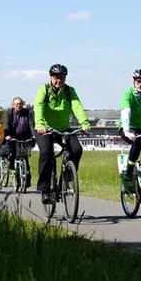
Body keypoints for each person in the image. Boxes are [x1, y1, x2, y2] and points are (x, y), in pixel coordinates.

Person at [34, 64, 91, 204]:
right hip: (45, 129)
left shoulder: (69, 91)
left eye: (62, 77)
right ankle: (45, 190)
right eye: (56, 77)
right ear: (51, 78)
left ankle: (67, 177)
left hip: (63, 128)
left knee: (77, 149)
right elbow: (38, 106)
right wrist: (40, 125)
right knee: (47, 153)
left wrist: (84, 123)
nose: (59, 80)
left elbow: (77, 106)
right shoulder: (44, 90)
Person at [4, 96, 36, 188]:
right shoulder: (9, 113)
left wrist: (34, 135)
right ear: (13, 105)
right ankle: (16, 176)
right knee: (14, 155)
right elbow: (6, 124)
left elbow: (31, 124)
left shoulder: (27, 112)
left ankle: (27, 179)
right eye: (17, 104)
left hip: (25, 137)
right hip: (13, 137)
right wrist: (7, 135)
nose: (19, 106)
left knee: (25, 157)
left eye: (20, 104)